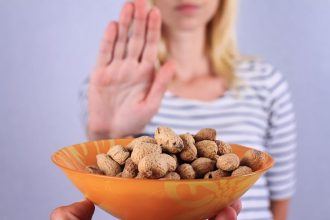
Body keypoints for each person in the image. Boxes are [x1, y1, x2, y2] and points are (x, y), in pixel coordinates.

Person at [52, 0, 297, 219]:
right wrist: (106, 135)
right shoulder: (118, 86)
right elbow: (110, 180)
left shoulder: (265, 82)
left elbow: (280, 200)